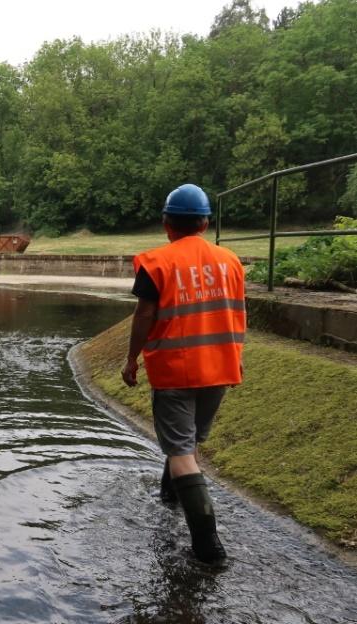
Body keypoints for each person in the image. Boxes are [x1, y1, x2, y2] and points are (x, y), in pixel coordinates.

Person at [121, 183, 246, 565]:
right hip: (220, 367)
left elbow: (144, 316)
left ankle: (209, 547)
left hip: (176, 371)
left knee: (180, 449)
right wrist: (236, 356)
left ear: (166, 224)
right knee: (186, 444)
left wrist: (131, 359)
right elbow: (237, 311)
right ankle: (170, 495)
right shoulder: (231, 261)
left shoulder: (155, 263)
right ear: (205, 223)